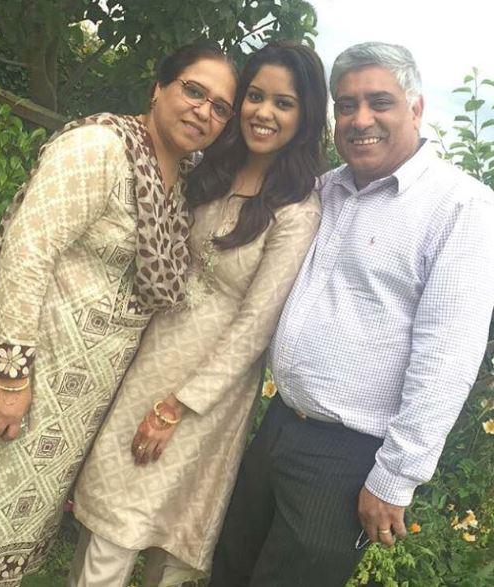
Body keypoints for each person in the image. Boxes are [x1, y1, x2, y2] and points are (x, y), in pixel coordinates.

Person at [0, 42, 237, 587]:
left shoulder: (183, 184)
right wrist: (11, 373)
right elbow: (29, 252)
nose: (203, 111)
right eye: (194, 90)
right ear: (158, 88)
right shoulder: (100, 147)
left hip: (77, 408)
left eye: (219, 107)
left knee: (6, 549)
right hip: (25, 380)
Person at [209, 41, 494, 587]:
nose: (360, 119)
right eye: (346, 105)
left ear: (415, 108)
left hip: (348, 456)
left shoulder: (460, 209)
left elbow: (448, 356)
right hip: (279, 426)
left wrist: (395, 477)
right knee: (229, 567)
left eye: (379, 102)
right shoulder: (327, 188)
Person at [69, 41, 328, 587]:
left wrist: (178, 406)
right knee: (109, 527)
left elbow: (255, 326)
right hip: (143, 358)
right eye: (254, 96)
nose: (263, 112)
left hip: (205, 395)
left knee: (170, 542)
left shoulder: (296, 211)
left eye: (284, 103)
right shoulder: (206, 168)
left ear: (304, 118)